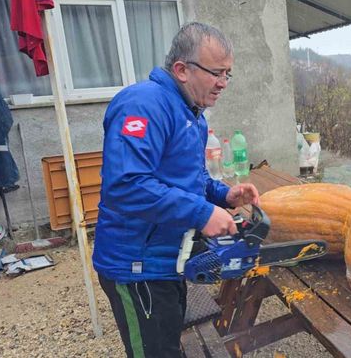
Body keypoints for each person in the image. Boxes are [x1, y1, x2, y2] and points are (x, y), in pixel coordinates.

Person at [92, 22, 259, 358]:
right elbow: (126, 185)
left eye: (228, 74)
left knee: (168, 344)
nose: (223, 83)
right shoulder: (144, 104)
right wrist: (201, 212)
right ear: (182, 70)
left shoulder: (193, 115)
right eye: (216, 73)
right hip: (137, 266)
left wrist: (221, 195)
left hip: (167, 260)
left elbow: (188, 179)